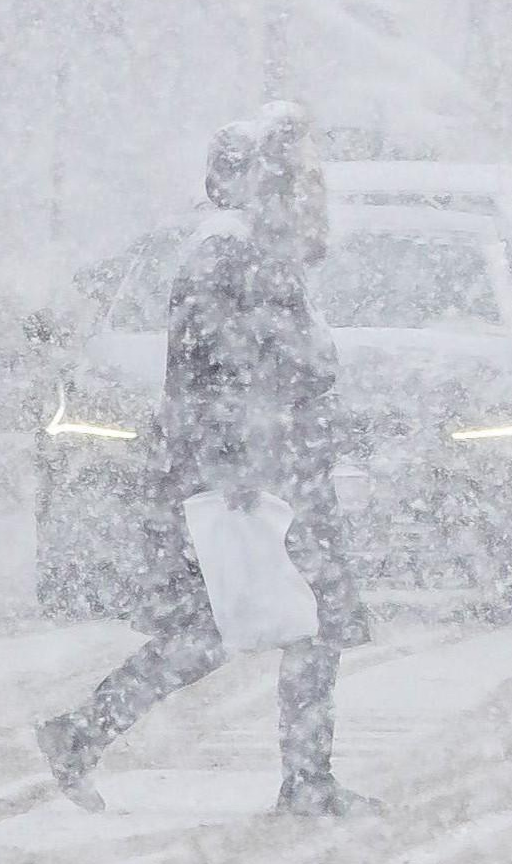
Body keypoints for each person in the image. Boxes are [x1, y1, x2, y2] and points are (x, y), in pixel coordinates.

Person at [36, 106, 381, 818]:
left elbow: (274, 364)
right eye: (303, 171)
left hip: (272, 469)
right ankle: (302, 781)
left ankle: (84, 734)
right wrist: (237, 462)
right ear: (265, 178)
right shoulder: (227, 255)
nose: (317, 186)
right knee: (267, 625)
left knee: (232, 629)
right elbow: (211, 372)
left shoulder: (254, 250)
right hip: (252, 478)